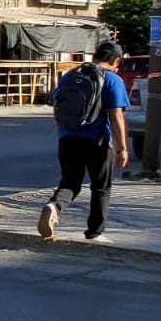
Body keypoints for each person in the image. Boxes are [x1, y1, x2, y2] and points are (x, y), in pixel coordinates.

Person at [39, 41, 131, 243]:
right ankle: (95, 233)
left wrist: (62, 135)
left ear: (95, 56)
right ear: (115, 60)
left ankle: (54, 206)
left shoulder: (71, 75)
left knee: (70, 183)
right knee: (100, 187)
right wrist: (122, 148)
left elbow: (57, 107)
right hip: (97, 142)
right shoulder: (113, 80)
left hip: (68, 139)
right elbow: (116, 115)